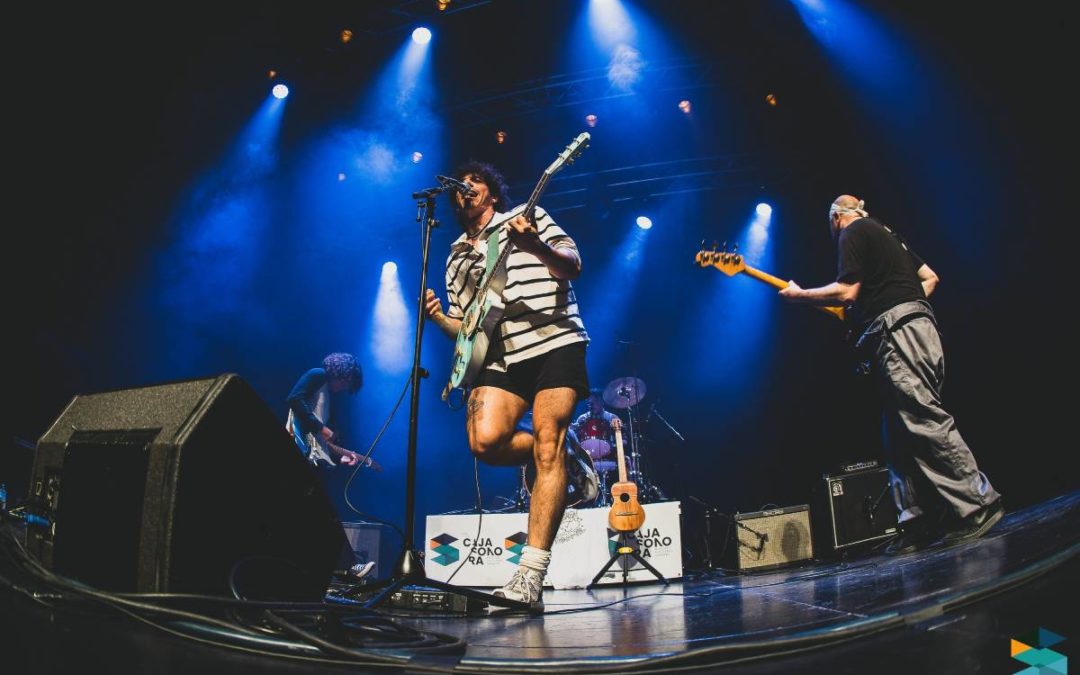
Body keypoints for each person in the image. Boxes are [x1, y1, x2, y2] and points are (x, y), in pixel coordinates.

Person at [778, 195, 1003, 555]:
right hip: (919, 329)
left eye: (831, 223)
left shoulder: (852, 232)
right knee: (898, 435)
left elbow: (847, 291)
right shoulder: (887, 234)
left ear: (837, 217)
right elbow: (930, 279)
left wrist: (800, 294)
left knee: (922, 418)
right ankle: (916, 521)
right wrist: (902, 304)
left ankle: (979, 503)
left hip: (899, 334)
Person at [424, 160, 597, 610]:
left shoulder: (528, 216)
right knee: (485, 442)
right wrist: (439, 316)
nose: (466, 188)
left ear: (492, 193)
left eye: (476, 181)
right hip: (501, 354)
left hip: (555, 339)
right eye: (461, 186)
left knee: (546, 445)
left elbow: (572, 265)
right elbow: (467, 328)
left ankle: (529, 576)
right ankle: (570, 455)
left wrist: (533, 244)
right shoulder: (455, 255)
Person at [286, 352, 376, 470]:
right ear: (340, 373)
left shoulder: (330, 399)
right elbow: (294, 399)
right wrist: (321, 428)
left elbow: (322, 442)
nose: (342, 388)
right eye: (344, 382)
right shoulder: (318, 374)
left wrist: (340, 457)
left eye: (345, 386)